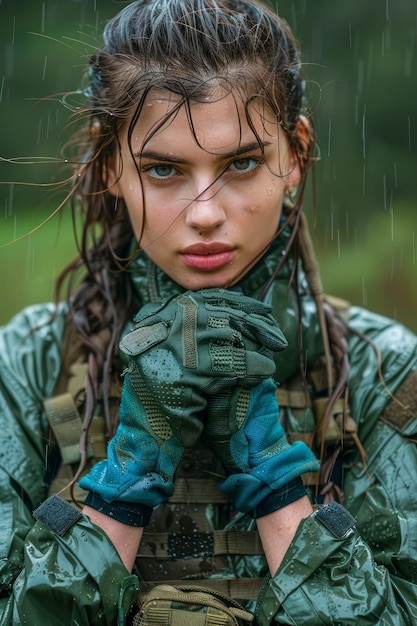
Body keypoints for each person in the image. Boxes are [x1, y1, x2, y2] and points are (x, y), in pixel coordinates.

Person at [1, 0, 417, 624]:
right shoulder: (26, 366)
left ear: (295, 155)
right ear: (111, 167)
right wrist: (130, 470)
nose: (203, 212)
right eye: (163, 169)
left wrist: (276, 483)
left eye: (241, 163)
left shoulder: (384, 371)